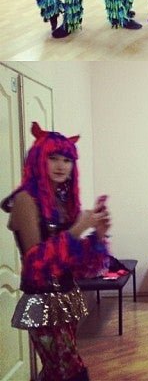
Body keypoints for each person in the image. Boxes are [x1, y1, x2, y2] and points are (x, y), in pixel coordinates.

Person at [1, 122, 110, 381]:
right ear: (38, 159)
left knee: (56, 370)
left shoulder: (61, 202)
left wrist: (98, 235)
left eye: (67, 160)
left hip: (67, 297)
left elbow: (75, 262)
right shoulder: (25, 200)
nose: (61, 166)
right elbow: (35, 262)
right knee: (69, 370)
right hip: (42, 300)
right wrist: (78, 228)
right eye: (53, 158)